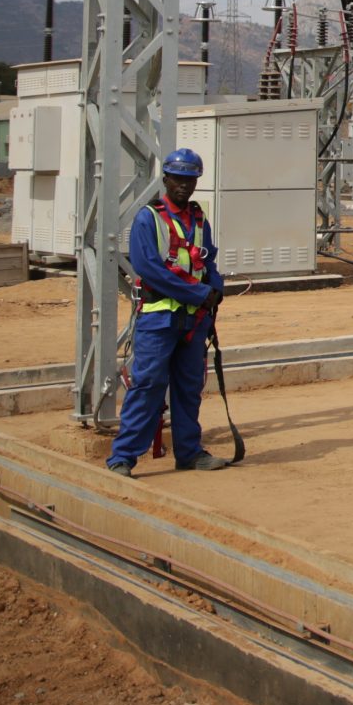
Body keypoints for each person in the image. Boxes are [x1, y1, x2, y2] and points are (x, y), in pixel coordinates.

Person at [107, 148, 231, 475]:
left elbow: (208, 260)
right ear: (166, 179)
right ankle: (123, 457)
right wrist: (200, 292)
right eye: (179, 179)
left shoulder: (199, 218)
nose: (184, 186)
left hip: (194, 321)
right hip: (159, 320)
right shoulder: (148, 218)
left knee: (189, 389)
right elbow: (150, 269)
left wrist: (216, 287)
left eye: (190, 180)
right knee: (147, 386)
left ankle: (189, 452)